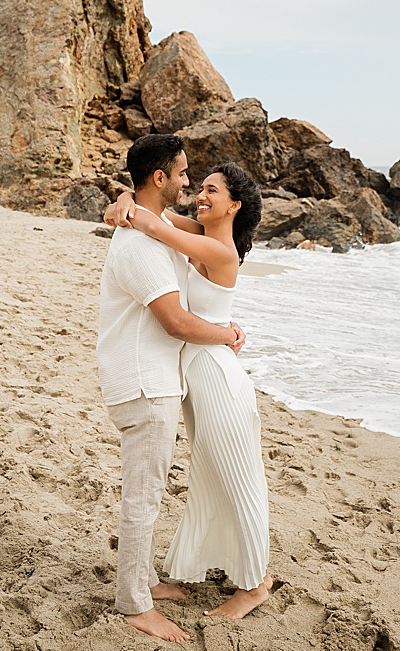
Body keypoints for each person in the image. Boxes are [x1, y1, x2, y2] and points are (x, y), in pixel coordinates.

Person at [105, 161, 273, 620]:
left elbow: (152, 225)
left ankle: (256, 584)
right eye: (199, 188)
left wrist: (130, 207)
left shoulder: (221, 252)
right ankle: (221, 563)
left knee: (240, 479)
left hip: (218, 379)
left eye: (212, 191)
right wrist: (125, 201)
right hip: (196, 379)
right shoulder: (199, 231)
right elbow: (145, 213)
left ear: (234, 205)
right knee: (213, 476)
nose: (200, 195)